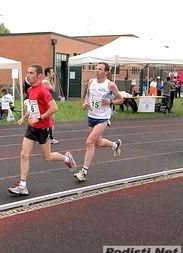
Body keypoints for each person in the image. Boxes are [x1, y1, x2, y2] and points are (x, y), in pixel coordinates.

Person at [8, 64, 76, 195]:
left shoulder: (43, 90)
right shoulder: (30, 90)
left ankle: (67, 159)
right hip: (31, 128)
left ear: (39, 75)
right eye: (27, 72)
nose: (28, 75)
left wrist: (39, 119)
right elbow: (33, 108)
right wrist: (24, 117)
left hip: (43, 128)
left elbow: (54, 108)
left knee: (48, 157)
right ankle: (23, 186)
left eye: (31, 73)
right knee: (24, 154)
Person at [73, 62, 123, 182]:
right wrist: (85, 102)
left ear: (106, 72)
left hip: (103, 118)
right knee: (98, 143)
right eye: (96, 69)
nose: (96, 71)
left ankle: (83, 172)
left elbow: (121, 99)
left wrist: (110, 102)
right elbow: (88, 94)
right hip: (91, 116)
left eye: (99, 69)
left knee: (90, 142)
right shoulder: (91, 82)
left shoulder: (110, 85)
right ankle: (115, 145)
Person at [42, 67, 59, 144]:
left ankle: (49, 136)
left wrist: (52, 80)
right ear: (48, 73)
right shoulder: (45, 82)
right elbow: (53, 89)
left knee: (51, 120)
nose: (53, 73)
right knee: (50, 120)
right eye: (52, 72)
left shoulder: (48, 81)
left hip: (49, 102)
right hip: (47, 103)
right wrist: (53, 80)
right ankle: (49, 137)